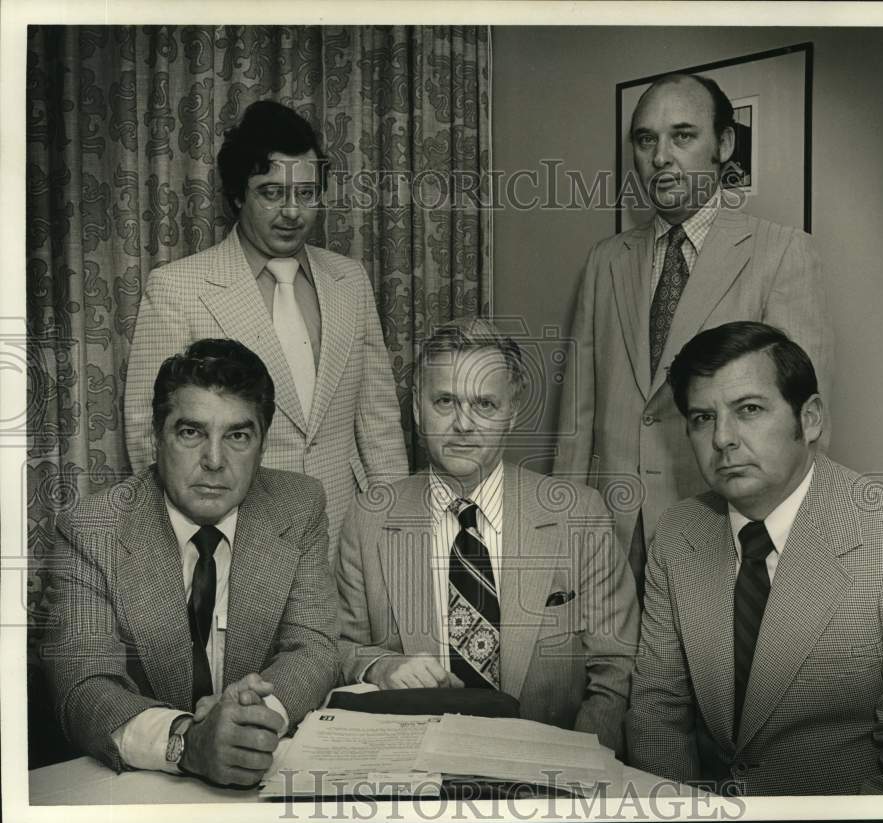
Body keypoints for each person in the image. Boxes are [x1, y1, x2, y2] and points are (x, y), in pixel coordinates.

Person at [627, 322, 883, 795]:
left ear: (809, 418)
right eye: (701, 418)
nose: (722, 439)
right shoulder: (677, 533)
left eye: (748, 410)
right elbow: (657, 714)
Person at [554, 74, 834, 603]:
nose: (661, 156)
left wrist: (786, 551)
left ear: (722, 145)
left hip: (725, 531)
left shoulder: (780, 253)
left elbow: (803, 429)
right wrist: (563, 530)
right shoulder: (605, 261)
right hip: (609, 538)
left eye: (682, 136)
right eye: (646, 139)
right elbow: (577, 417)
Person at [44, 340, 341, 786]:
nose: (215, 461)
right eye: (191, 433)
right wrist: (189, 741)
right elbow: (84, 687)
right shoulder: (92, 529)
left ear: (261, 445)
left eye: (238, 436)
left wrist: (251, 724)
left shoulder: (299, 506)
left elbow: (313, 646)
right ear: (156, 437)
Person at [337, 319, 639, 756]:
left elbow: (616, 668)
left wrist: (577, 766)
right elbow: (338, 647)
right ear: (418, 410)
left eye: (484, 404)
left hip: (550, 775)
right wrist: (380, 666)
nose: (463, 424)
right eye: (445, 401)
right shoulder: (370, 516)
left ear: (512, 412)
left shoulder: (579, 514)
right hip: (414, 772)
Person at [123, 100, 408, 559]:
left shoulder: (349, 279)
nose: (292, 212)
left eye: (307, 193)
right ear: (238, 194)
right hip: (233, 536)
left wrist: (395, 532)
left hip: (347, 532)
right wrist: (198, 538)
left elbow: (379, 421)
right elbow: (148, 433)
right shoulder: (178, 288)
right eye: (272, 193)